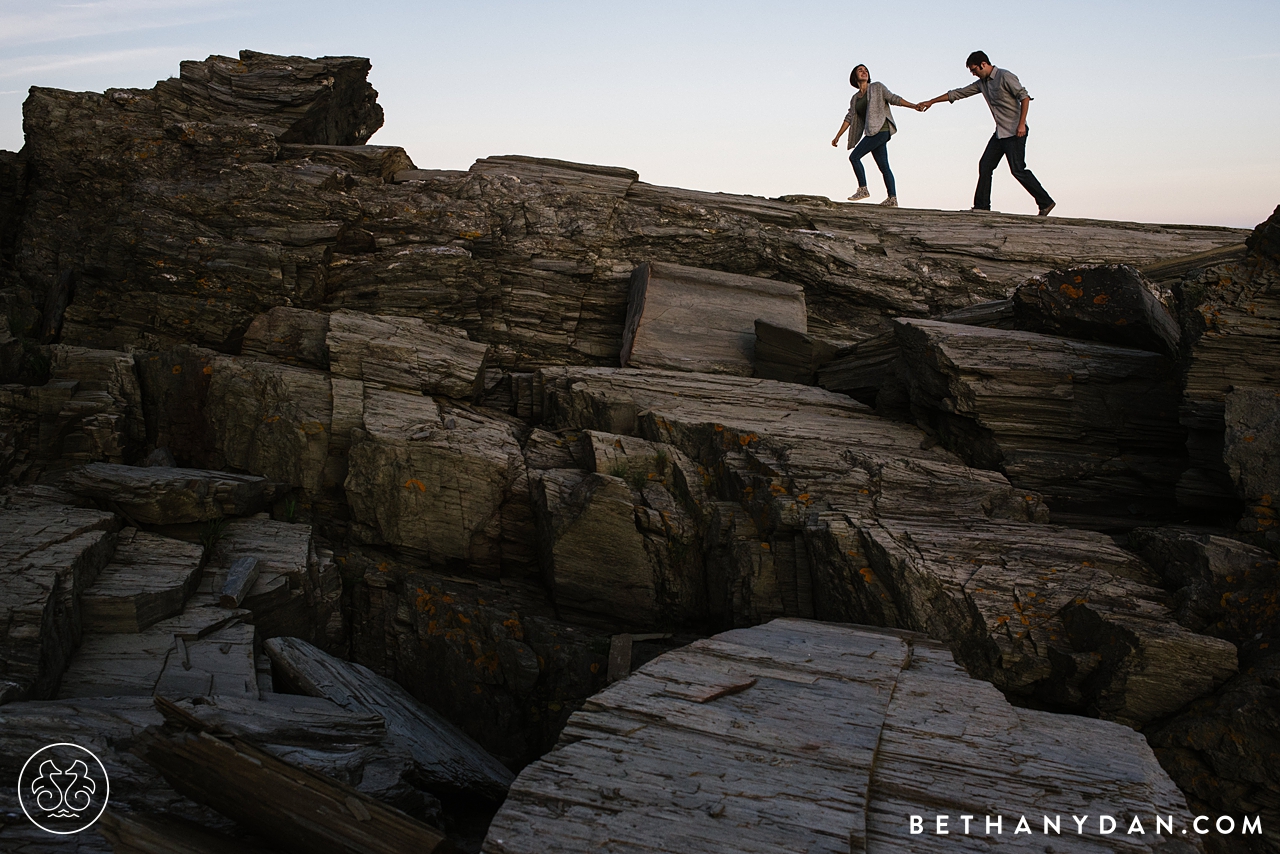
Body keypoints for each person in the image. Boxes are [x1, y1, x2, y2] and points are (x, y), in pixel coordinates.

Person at [917, 51, 1055, 216]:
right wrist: (931, 101)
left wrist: (1021, 124)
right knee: (985, 165)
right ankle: (982, 207)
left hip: (1015, 131)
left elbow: (1024, 97)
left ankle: (1045, 202)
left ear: (984, 64)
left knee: (1018, 169)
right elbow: (958, 93)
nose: (974, 74)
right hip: (1000, 133)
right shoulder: (982, 83)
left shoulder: (1005, 76)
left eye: (975, 70)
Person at [831, 64, 924, 207]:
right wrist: (838, 136)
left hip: (881, 130)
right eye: (860, 71)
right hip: (872, 131)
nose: (864, 72)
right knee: (884, 167)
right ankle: (892, 199)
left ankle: (863, 189)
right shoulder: (855, 98)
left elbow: (893, 98)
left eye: (866, 70)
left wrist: (913, 106)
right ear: (854, 77)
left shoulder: (877, 87)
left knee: (854, 157)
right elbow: (850, 117)